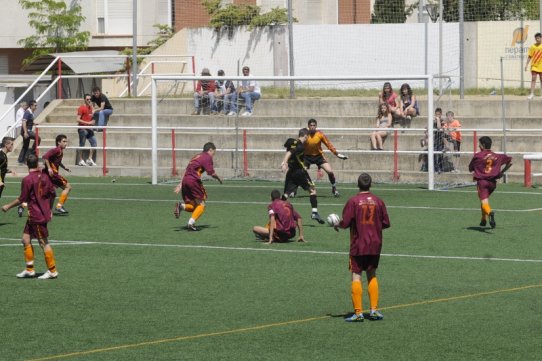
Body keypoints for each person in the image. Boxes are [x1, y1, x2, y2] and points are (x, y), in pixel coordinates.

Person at [335, 172, 390, 322]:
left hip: (358, 244)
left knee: (356, 275)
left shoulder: (353, 201)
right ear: (370, 184)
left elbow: (345, 223)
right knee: (372, 274)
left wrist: (336, 223)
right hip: (375, 243)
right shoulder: (379, 201)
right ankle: (374, 310)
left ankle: (358, 313)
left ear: (358, 185)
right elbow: (386, 223)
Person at [1, 154, 58, 279]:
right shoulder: (45, 176)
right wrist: (50, 209)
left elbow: (22, 199)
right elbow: (53, 193)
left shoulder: (27, 179)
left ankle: (52, 271)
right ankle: (29, 269)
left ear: (27, 164)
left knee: (43, 242)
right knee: (25, 239)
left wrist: (7, 206)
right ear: (37, 163)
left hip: (37, 215)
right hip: (36, 215)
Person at [174, 142, 223, 231]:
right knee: (201, 204)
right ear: (210, 150)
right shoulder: (207, 157)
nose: (213, 156)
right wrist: (219, 179)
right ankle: (191, 223)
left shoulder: (196, 156)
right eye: (213, 153)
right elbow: (211, 173)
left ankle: (181, 206)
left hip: (186, 181)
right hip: (193, 181)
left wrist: (180, 184)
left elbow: (186, 170)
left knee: (195, 206)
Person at [282, 128, 325, 224]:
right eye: (307, 137)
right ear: (305, 136)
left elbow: (288, 149)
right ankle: (314, 212)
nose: (307, 139)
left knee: (286, 194)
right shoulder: (300, 146)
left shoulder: (292, 141)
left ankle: (277, 211)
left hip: (291, 172)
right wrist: (284, 162)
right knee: (312, 190)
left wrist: (286, 162)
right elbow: (291, 152)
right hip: (300, 172)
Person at [468, 136, 512, 229]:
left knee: (484, 202)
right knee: (484, 201)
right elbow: (510, 162)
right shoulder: (498, 156)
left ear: (482, 145)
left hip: (482, 182)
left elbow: (470, 168)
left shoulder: (478, 156)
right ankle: (483, 220)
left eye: (479, 144)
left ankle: (489, 213)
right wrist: (502, 172)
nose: (478, 146)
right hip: (492, 183)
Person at [304, 118, 348, 197]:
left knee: (330, 171)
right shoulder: (305, 134)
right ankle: (294, 190)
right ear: (308, 126)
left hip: (318, 156)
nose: (312, 127)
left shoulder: (320, 134)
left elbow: (328, 144)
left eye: (314, 125)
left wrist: (336, 154)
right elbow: (299, 145)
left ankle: (334, 188)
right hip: (307, 157)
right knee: (300, 172)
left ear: (316, 126)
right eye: (311, 125)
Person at [42, 134, 72, 215]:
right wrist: (49, 168)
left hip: (50, 175)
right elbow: (45, 157)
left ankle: (23, 204)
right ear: (59, 142)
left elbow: (57, 161)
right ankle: (59, 206)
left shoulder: (60, 151)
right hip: (53, 175)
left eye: (66, 141)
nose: (66, 143)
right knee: (68, 187)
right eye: (64, 141)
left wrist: (64, 167)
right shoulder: (56, 150)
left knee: (45, 193)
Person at [17, 100, 41, 164]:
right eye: (35, 106)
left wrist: (34, 123)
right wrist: (25, 132)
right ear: (31, 106)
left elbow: (29, 121)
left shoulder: (31, 112)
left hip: (27, 131)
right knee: (38, 138)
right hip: (27, 131)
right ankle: (32, 153)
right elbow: (24, 122)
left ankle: (20, 160)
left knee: (25, 146)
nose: (36, 107)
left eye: (36, 105)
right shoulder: (27, 112)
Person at [76, 94, 97, 166]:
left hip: (89, 128)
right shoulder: (81, 108)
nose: (89, 100)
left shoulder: (90, 108)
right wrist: (88, 122)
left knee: (94, 143)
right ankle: (80, 160)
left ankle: (89, 159)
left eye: (90, 99)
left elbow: (91, 116)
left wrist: (92, 122)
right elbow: (77, 119)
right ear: (84, 100)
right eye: (87, 99)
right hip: (82, 129)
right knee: (82, 144)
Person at [525, 32, 542, 100]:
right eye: (536, 38)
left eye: (538, 38)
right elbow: (530, 56)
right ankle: (532, 94)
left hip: (541, 66)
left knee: (541, 79)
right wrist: (526, 64)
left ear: (541, 38)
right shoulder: (533, 46)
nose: (537, 39)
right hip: (534, 66)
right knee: (533, 79)